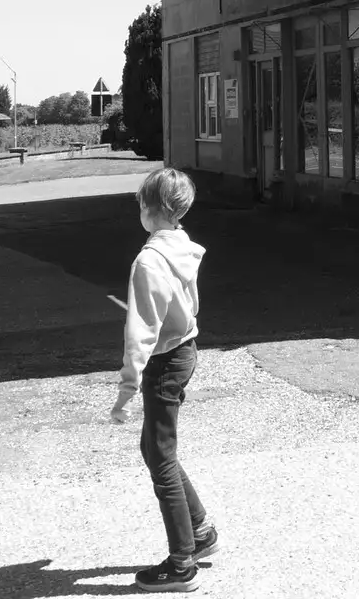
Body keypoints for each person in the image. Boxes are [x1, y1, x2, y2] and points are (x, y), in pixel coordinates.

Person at [110, 167, 217, 592]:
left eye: (139, 203)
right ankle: (201, 531)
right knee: (156, 450)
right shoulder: (182, 247)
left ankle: (181, 565)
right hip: (185, 349)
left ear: (149, 208)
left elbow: (141, 331)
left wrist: (125, 389)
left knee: (161, 458)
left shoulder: (149, 261)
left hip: (165, 359)